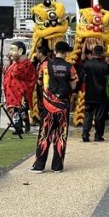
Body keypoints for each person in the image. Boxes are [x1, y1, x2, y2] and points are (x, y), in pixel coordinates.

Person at [30, 40, 78, 173]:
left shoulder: (45, 65)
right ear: (67, 52)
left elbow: (39, 82)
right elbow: (74, 85)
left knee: (44, 135)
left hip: (47, 105)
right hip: (63, 106)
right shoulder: (70, 67)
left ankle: (39, 166)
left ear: (55, 50)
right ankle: (57, 166)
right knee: (61, 136)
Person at [79, 45, 109, 142]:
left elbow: (81, 76)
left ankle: (85, 134)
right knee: (99, 116)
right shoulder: (105, 65)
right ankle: (98, 136)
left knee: (88, 114)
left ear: (93, 52)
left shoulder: (86, 64)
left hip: (89, 93)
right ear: (102, 53)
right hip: (101, 94)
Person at [3, 41, 36, 135]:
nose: (10, 52)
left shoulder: (26, 64)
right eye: (10, 50)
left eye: (12, 50)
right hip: (13, 92)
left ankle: (23, 125)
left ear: (20, 51)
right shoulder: (16, 63)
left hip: (21, 92)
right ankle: (19, 127)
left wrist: (13, 62)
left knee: (21, 110)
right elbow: (7, 71)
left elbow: (17, 73)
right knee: (17, 110)